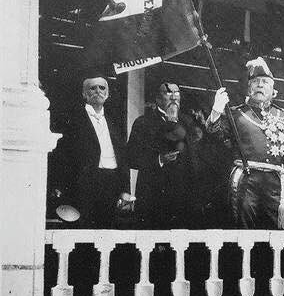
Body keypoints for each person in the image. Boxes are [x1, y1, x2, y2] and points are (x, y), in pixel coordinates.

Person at [206, 57, 284, 229]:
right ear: (249, 88)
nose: (260, 85)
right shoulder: (236, 114)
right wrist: (216, 111)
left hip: (275, 185)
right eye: (255, 82)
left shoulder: (282, 116)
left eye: (265, 82)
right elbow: (214, 135)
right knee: (244, 230)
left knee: (275, 235)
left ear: (273, 90)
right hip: (246, 183)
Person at [49, 74, 131, 228]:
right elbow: (62, 155)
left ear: (107, 94)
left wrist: (125, 190)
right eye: (92, 88)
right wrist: (60, 185)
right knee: (84, 230)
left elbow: (122, 158)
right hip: (84, 184)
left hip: (112, 183)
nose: (98, 91)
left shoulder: (114, 121)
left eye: (102, 88)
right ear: (84, 94)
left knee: (107, 231)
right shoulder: (72, 119)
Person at [127, 81, 195, 228]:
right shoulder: (143, 123)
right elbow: (131, 157)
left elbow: (193, 159)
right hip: (153, 196)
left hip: (181, 197)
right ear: (157, 99)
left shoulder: (188, 122)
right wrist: (159, 159)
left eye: (176, 93)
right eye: (168, 93)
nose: (174, 97)